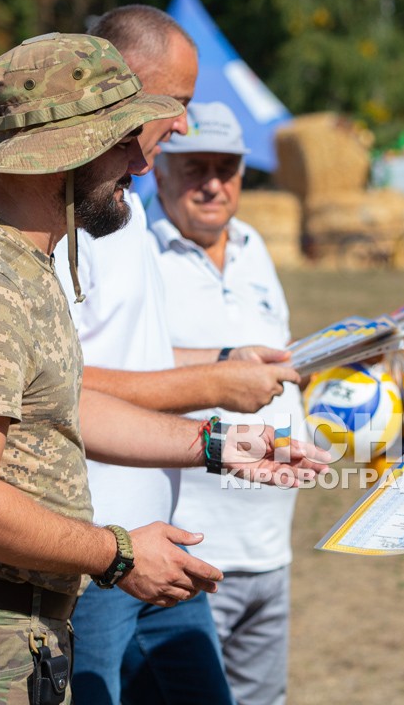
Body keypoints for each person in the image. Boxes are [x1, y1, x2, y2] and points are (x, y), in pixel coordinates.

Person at [0, 32, 325, 704]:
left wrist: (217, 443)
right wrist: (119, 553)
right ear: (63, 153)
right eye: (118, 143)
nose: (138, 166)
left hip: (8, 638)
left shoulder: (27, 259)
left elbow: (64, 403)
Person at [53, 5, 299, 705]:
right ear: (127, 88)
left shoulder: (121, 207)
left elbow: (139, 351)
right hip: (96, 550)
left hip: (165, 546)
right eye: (181, 104)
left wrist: (229, 356)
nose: (187, 125)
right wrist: (213, 387)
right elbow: (61, 386)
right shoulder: (68, 223)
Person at [149, 101, 304, 705]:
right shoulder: (134, 249)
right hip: (189, 554)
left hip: (270, 548)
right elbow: (115, 373)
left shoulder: (254, 245)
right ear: (160, 168)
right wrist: (222, 363)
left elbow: (271, 363)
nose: (213, 183)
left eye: (228, 167)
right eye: (195, 167)